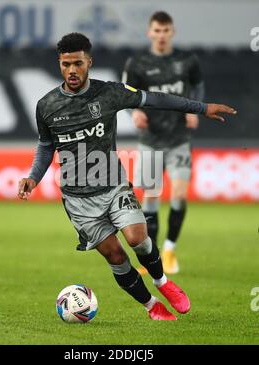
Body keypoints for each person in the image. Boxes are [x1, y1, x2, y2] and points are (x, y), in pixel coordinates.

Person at [18, 33, 236, 320]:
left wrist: (202, 107)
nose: (72, 70)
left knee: (137, 238)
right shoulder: (46, 106)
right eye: (66, 64)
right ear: (60, 64)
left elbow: (156, 99)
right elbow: (47, 146)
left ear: (89, 63)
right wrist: (33, 177)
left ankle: (163, 282)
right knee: (116, 257)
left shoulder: (109, 93)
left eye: (78, 64)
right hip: (78, 201)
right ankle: (151, 306)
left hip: (113, 187)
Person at [122, 11, 205, 274]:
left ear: (172, 32)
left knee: (179, 195)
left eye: (165, 31)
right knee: (151, 198)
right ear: (149, 32)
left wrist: (196, 110)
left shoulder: (187, 61)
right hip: (150, 140)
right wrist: (134, 112)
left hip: (179, 139)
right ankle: (154, 255)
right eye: (156, 31)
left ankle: (170, 248)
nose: (161, 35)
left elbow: (198, 86)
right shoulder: (137, 64)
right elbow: (125, 96)